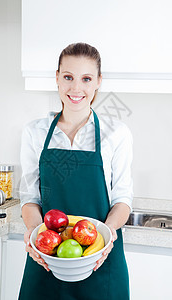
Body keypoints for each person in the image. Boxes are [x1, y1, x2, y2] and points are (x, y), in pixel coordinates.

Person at [18, 42, 133, 300]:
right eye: (68, 77)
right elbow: (30, 199)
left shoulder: (117, 134)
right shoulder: (35, 132)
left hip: (101, 262)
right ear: (57, 78)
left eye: (86, 78)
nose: (76, 88)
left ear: (98, 82)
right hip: (46, 262)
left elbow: (123, 200)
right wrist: (37, 237)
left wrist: (106, 236)